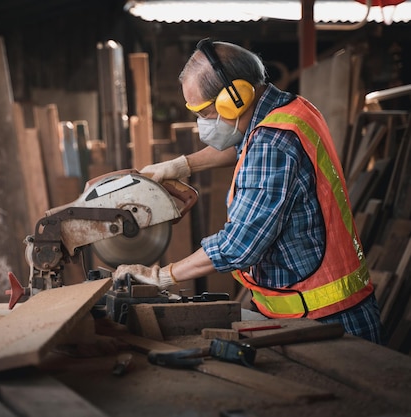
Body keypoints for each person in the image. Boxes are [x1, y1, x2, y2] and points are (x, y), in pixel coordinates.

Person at [113, 38, 382, 344]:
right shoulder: (289, 110)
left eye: (203, 112)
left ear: (235, 99)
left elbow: (239, 245)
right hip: (322, 306)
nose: (201, 123)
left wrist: (161, 276)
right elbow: (245, 145)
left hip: (324, 322)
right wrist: (178, 166)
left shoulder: (272, 144)